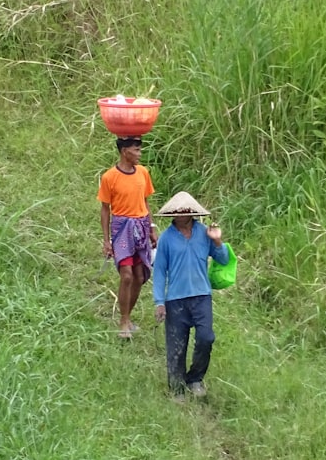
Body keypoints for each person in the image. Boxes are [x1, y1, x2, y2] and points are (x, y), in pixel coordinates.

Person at [152, 191, 229, 400]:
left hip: (202, 296)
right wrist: (159, 302)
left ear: (192, 212)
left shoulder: (205, 233)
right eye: (177, 211)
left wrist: (218, 240)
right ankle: (177, 389)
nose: (182, 214)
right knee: (176, 346)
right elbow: (159, 271)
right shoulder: (167, 239)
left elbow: (222, 259)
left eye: (185, 210)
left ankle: (195, 378)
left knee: (206, 338)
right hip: (176, 299)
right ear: (172, 214)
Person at [98, 135, 158, 338]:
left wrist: (151, 228)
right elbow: (105, 210)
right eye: (137, 150)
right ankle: (123, 322)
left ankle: (127, 317)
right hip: (122, 228)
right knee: (126, 276)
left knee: (139, 277)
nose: (140, 154)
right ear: (125, 152)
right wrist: (107, 240)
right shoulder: (109, 177)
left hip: (141, 227)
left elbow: (146, 202)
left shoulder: (143, 173)